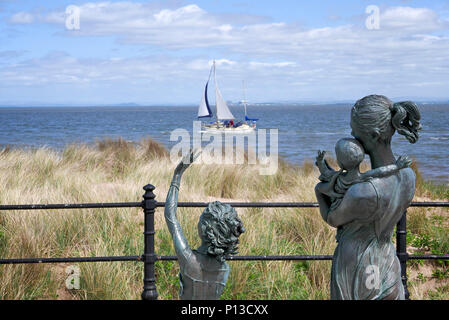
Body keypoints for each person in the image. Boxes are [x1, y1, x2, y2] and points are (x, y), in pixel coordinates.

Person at [315, 95, 421, 300]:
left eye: (355, 131)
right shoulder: (409, 176)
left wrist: (320, 192)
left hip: (359, 268)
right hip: (387, 262)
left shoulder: (363, 192)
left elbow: (333, 219)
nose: (352, 134)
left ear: (373, 135)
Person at [164, 150, 245, 300]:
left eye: (202, 218)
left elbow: (171, 216)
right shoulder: (224, 268)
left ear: (206, 229)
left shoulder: (189, 259)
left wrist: (177, 174)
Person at [315, 137, 412, 212]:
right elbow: (381, 171)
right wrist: (397, 166)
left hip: (338, 210)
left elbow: (325, 172)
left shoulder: (338, 178)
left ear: (340, 163)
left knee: (318, 188)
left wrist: (320, 162)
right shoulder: (362, 177)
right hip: (355, 210)